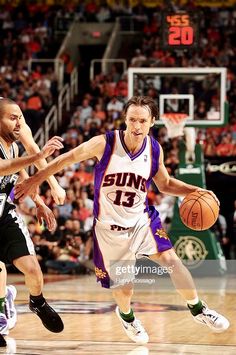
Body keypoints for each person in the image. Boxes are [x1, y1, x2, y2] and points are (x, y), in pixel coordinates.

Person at [15, 96, 230, 344]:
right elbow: (66, 159)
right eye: (132, 120)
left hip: (141, 221)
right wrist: (35, 180)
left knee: (171, 259)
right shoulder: (104, 143)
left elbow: (166, 184)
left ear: (152, 122)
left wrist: (196, 191)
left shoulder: (154, 149)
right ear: (125, 119)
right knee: (125, 289)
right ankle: (127, 317)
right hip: (109, 230)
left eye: (142, 121)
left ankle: (198, 309)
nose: (136, 126)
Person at [0, 98, 64, 336]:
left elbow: (19, 174)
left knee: (34, 270)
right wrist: (40, 156)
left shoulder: (14, 145)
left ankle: (37, 302)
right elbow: (4, 167)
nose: (18, 123)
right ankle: (0, 311)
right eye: (12, 118)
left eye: (20, 118)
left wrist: (39, 202)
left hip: (4, 215)